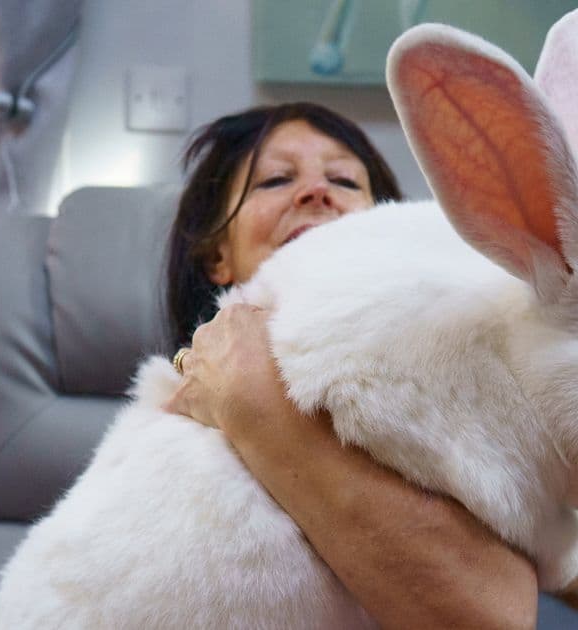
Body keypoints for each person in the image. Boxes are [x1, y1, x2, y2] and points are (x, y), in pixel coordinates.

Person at [161, 102, 540, 629]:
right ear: (216, 256)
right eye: (273, 180)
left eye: (342, 179)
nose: (316, 192)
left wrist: (253, 399)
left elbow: (496, 616)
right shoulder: (167, 405)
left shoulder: (450, 375)